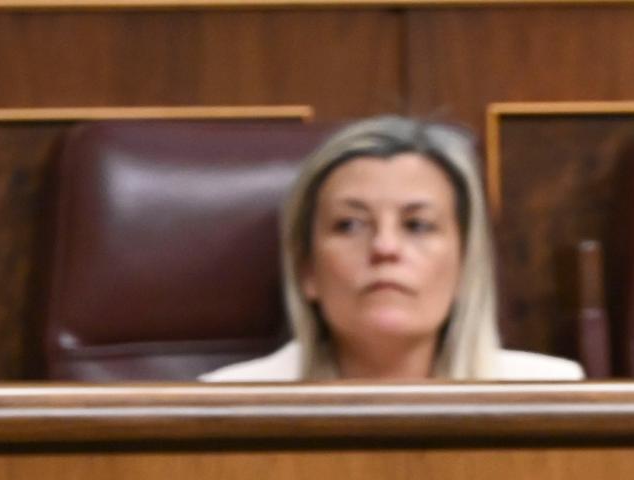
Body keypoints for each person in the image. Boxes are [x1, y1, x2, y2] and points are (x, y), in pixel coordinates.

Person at [202, 116, 583, 383]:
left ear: (466, 265)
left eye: (417, 225)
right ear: (307, 270)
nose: (385, 248)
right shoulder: (228, 405)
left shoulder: (552, 395)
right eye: (350, 225)